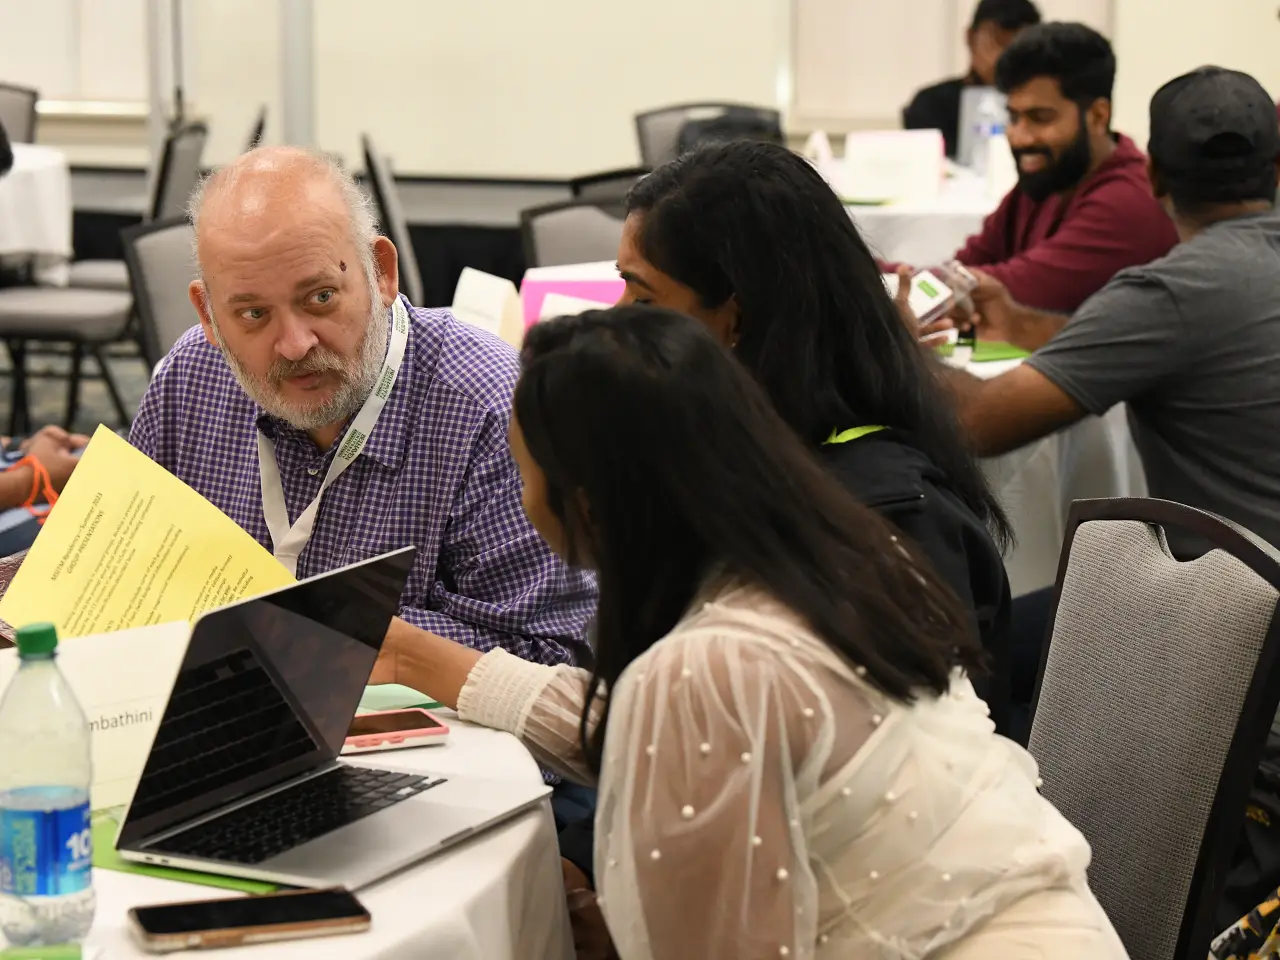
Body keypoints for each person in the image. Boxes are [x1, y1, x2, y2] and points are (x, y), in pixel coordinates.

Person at [371, 306, 1129, 959]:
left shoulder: (708, 665)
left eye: (523, 474)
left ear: (592, 502)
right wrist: (414, 654)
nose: (520, 498)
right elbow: (652, 732)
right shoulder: (839, 554)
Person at [129, 145, 595, 672]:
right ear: (208, 314)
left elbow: (549, 658)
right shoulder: (189, 381)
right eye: (253, 314)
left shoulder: (488, 405)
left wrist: (322, 632)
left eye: (320, 298)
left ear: (382, 272)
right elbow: (130, 587)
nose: (295, 344)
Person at [934, 66, 1280, 761]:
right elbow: (1170, 346)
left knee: (965, 670)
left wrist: (884, 336)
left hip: (1239, 628)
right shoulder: (1199, 290)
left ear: (1153, 177)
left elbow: (977, 423)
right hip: (1250, 604)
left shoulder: (1173, 290)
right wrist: (1024, 323)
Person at [618, 140, 1012, 726]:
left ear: (736, 319)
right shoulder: (761, 451)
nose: (619, 316)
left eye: (642, 296)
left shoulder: (889, 523)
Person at [947, 22, 1178, 312]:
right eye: (1013, 117)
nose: (1020, 137)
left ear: (1098, 116)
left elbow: (1004, 292)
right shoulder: (1048, 178)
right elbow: (964, 268)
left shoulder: (1128, 202)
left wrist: (900, 288)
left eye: (1040, 118)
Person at [902, 0, 1041, 159]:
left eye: (1016, 47)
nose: (1004, 57)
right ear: (970, 38)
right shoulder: (931, 104)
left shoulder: (1039, 107)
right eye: (997, 42)